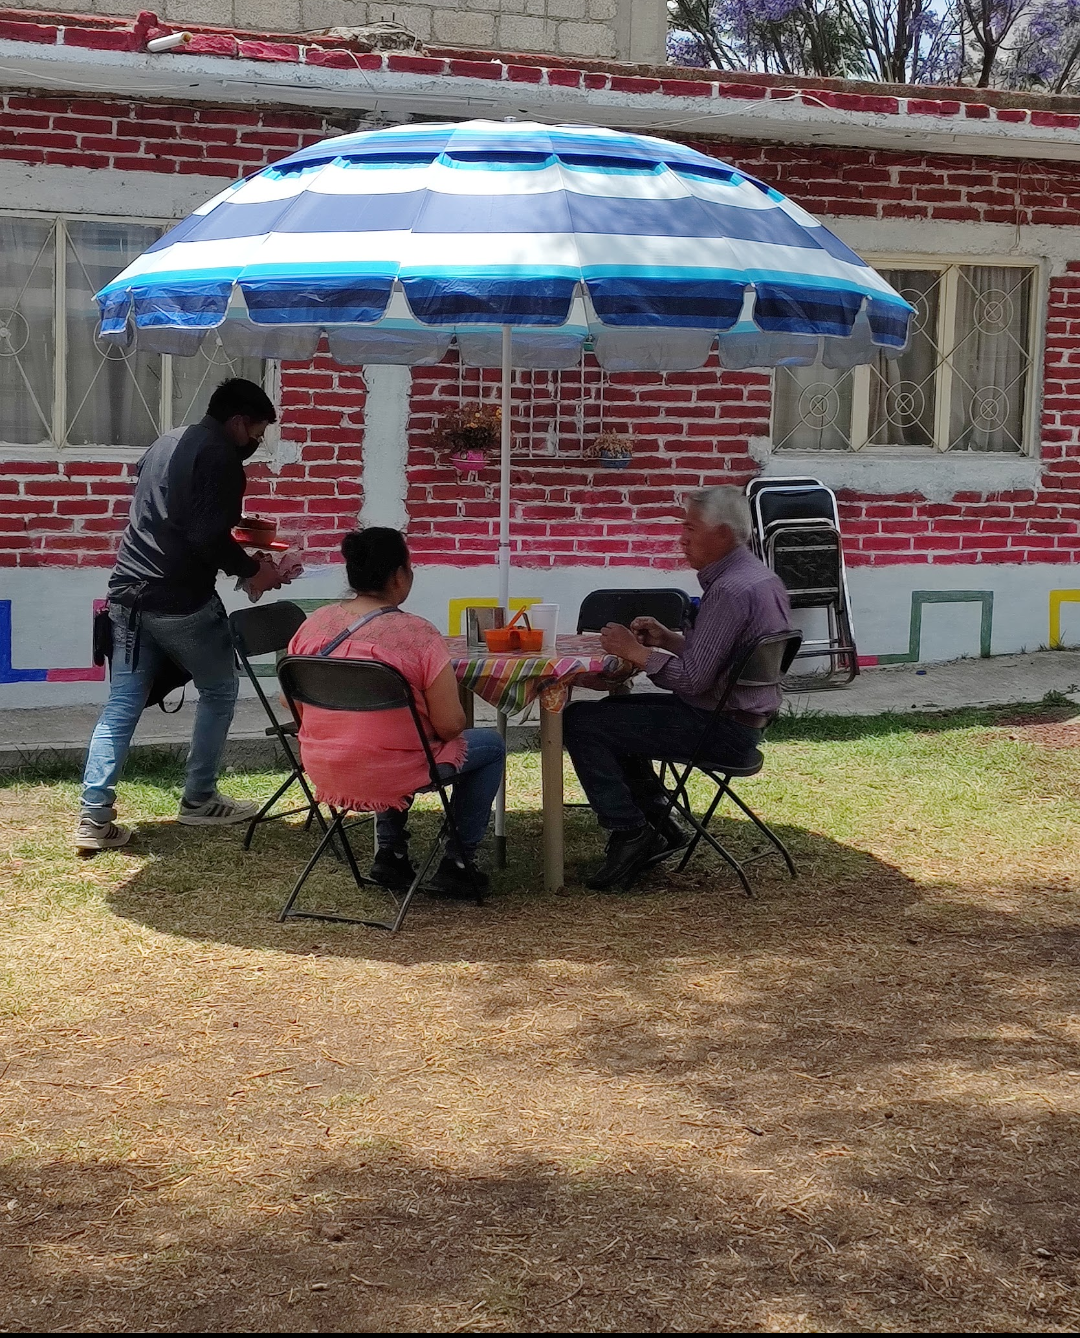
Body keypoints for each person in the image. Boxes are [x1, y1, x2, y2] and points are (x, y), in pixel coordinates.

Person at [76, 378, 283, 853]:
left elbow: (169, 515)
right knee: (220, 689)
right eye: (257, 432)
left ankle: (93, 817)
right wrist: (253, 570)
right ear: (238, 423)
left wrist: (240, 557)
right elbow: (205, 536)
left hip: (127, 593)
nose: (256, 443)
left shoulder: (166, 441)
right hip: (180, 600)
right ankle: (200, 799)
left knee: (122, 704)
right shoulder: (223, 459)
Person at [565, 485, 794, 892]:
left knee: (582, 721)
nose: (681, 539)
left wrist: (634, 651)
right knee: (613, 719)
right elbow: (720, 657)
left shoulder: (729, 590)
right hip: (743, 721)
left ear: (722, 534)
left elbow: (692, 680)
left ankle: (630, 829)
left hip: (719, 727)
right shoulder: (760, 579)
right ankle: (654, 821)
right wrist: (667, 639)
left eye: (690, 528)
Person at [287, 527, 505, 898]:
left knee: (385, 738)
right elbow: (451, 726)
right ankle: (458, 862)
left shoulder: (313, 624)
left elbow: (291, 704)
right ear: (400, 575)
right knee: (491, 747)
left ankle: (391, 852)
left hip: (323, 766)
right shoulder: (417, 635)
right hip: (393, 768)